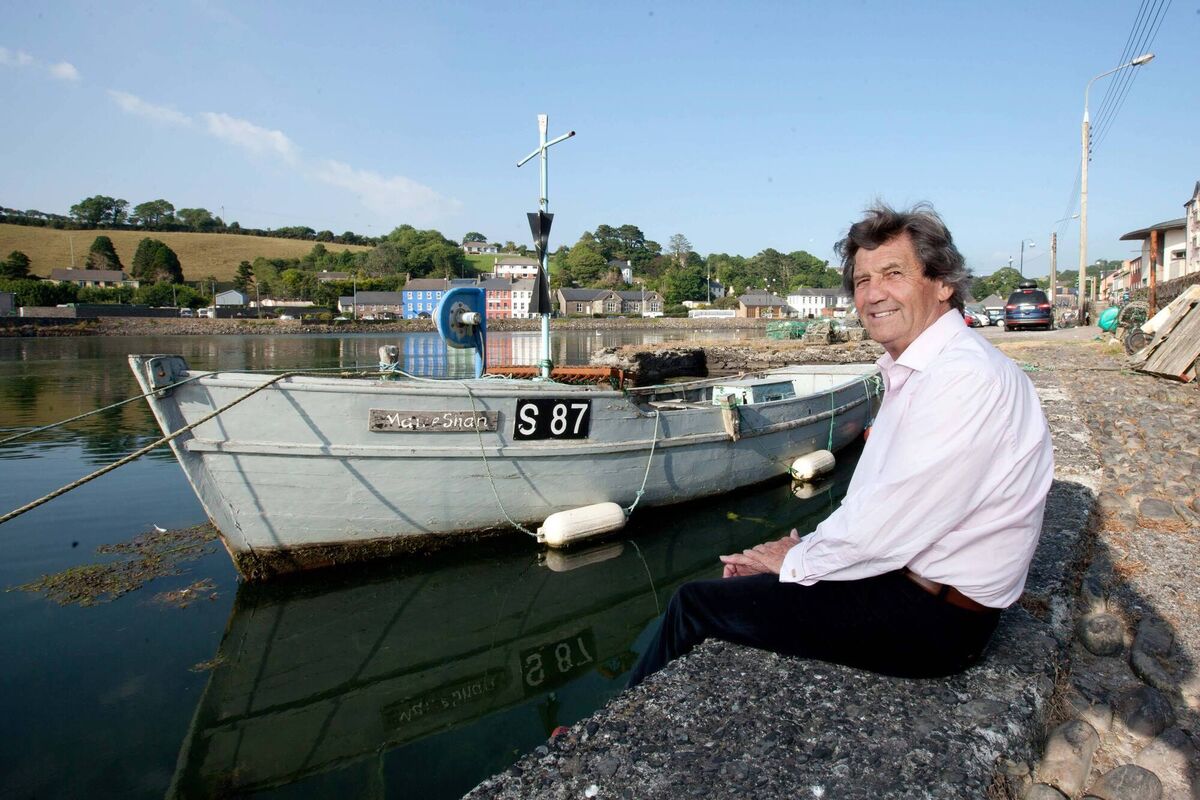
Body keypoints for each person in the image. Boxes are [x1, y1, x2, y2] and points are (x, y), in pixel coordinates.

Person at [627, 203, 1054, 688]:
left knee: (694, 605)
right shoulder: (930, 369)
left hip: (934, 620)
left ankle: (602, 744)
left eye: (893, 274)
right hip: (912, 585)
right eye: (862, 281)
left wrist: (793, 562)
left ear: (942, 283)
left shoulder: (964, 378)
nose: (873, 295)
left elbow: (888, 526)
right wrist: (805, 549)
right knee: (746, 589)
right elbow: (878, 508)